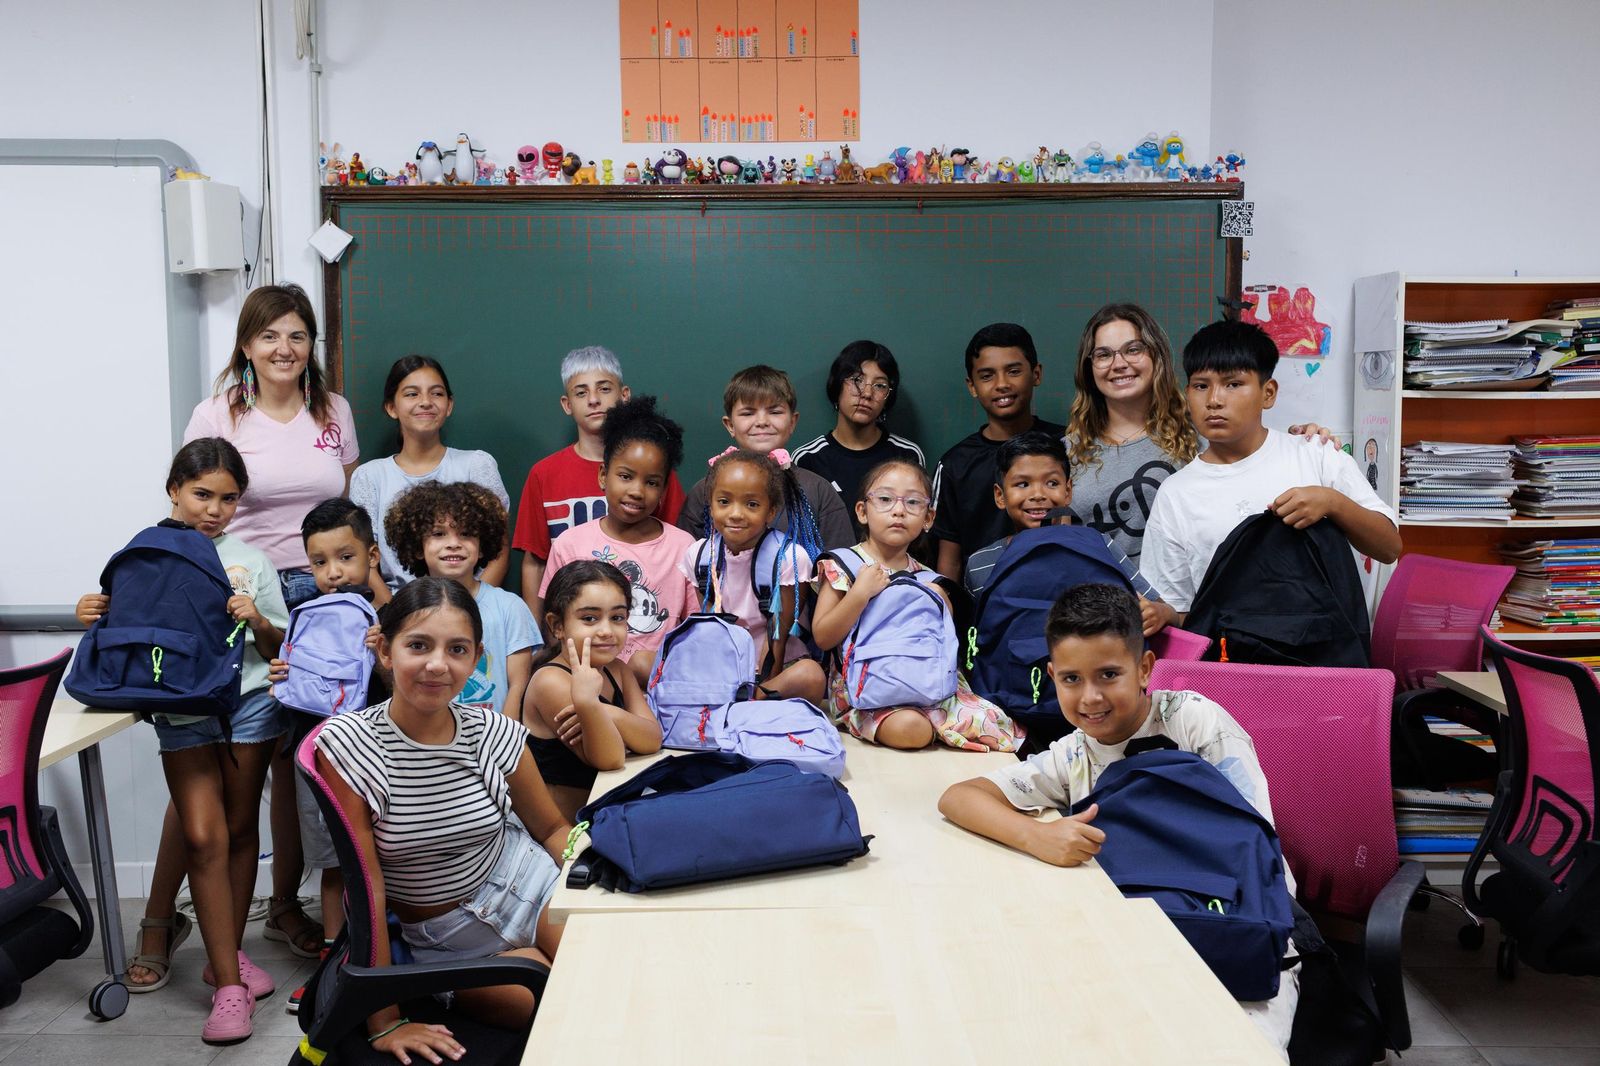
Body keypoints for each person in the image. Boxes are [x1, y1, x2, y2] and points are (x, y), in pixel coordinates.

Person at [938, 583, 1299, 1054]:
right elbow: (960, 797)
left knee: (1238, 1047)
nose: (1090, 697)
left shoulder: (1194, 722)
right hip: (1132, 930)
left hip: (1236, 924)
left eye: (1109, 675)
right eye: (1071, 679)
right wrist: (1037, 836)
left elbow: (1256, 842)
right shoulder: (1074, 754)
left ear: (1145, 668)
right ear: (1052, 677)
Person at [76, 439, 287, 1044]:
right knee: (202, 836)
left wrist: (258, 619)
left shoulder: (251, 560)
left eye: (229, 499)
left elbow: (279, 646)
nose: (214, 510)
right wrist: (92, 612)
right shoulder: (144, 553)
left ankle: (227, 957)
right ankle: (229, 985)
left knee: (241, 831)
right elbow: (127, 631)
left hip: (249, 705)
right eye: (202, 494)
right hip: (180, 710)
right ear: (173, 488)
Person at [314, 577, 572, 1063]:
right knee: (557, 1007)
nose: (438, 664)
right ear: (385, 651)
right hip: (452, 942)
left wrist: (594, 884)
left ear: (476, 660)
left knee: (607, 977)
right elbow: (366, 888)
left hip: (534, 885)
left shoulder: (493, 731)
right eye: (418, 645)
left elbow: (553, 829)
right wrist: (384, 1019)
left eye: (457, 649)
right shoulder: (349, 746)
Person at [182, 282, 360, 957]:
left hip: (321, 597)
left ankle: (285, 905)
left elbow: (343, 505)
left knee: (302, 761)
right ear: (247, 345)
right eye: (270, 335)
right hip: (243, 595)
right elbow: (195, 511)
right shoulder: (217, 413)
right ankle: (164, 920)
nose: (285, 348)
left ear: (312, 344)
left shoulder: (333, 410)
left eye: (298, 335)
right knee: (221, 758)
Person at [1139, 320, 1402, 616]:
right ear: (1187, 393)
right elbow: (1180, 611)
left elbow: (1389, 547)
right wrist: (1168, 617)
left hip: (1322, 644)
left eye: (1233, 384)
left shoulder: (1315, 454)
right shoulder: (1176, 494)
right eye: (1201, 386)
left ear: (1268, 393)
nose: (1214, 400)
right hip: (1225, 646)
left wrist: (1332, 502)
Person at [1064, 303, 1337, 565]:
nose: (1119, 363)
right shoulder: (1068, 453)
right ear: (1089, 367)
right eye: (1103, 355)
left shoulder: (1205, 430)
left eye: (1133, 349)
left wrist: (1305, 441)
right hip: (1102, 594)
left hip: (1199, 593)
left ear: (1156, 356)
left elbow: (1258, 459)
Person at [266, 498, 391, 1014]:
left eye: (345, 557)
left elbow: (406, 692)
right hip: (318, 755)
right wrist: (284, 674)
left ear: (372, 555)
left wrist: (384, 655)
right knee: (334, 863)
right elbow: (294, 689)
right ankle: (332, 964)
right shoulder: (307, 617)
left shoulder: (394, 617)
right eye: (319, 562)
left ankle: (382, 959)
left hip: (376, 758)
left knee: (382, 859)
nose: (333, 573)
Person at [810, 459, 1021, 751]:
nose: (899, 510)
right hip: (868, 694)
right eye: (885, 499)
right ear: (862, 511)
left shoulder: (930, 579)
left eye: (912, 502)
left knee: (1001, 726)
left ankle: (937, 722)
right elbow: (823, 636)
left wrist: (942, 603)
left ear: (928, 518)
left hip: (928, 687)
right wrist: (859, 594)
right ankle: (934, 727)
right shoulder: (844, 565)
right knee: (911, 729)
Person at [513, 346, 685, 621]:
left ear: (624, 395)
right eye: (581, 392)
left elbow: (675, 549)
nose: (594, 400)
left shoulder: (655, 474)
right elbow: (535, 562)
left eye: (604, 389)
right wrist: (537, 636)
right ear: (567, 404)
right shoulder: (544, 474)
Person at [539, 396, 694, 681]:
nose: (636, 491)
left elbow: (696, 632)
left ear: (664, 490)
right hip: (587, 685)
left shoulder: (684, 548)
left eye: (651, 482)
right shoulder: (570, 544)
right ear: (603, 475)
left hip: (660, 688)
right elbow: (555, 628)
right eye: (625, 476)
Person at [962, 431, 1174, 636]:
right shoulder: (980, 564)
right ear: (1000, 496)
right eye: (1023, 484)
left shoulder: (1098, 547)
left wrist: (1161, 613)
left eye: (1052, 483)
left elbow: (1164, 610)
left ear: (1068, 491)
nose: (1038, 494)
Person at [349, 355, 511, 588]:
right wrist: (395, 609)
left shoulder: (477, 465)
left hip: (471, 601)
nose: (426, 402)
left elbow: (499, 553)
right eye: (412, 394)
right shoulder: (369, 476)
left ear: (449, 405)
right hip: (396, 604)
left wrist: (467, 605)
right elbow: (365, 560)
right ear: (392, 407)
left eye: (436, 393)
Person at [678, 450, 826, 702]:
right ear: (711, 506)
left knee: (811, 676)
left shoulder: (788, 558)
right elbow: (711, 625)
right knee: (647, 662)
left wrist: (760, 689)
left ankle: (748, 702)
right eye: (724, 501)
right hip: (724, 663)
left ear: (771, 511)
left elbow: (777, 636)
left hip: (775, 667)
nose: (736, 514)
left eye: (752, 504)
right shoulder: (700, 555)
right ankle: (728, 696)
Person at [523, 561, 664, 820]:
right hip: (568, 829)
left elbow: (653, 739)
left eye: (617, 618)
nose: (606, 631)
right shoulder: (550, 681)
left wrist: (603, 711)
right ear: (557, 625)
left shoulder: (618, 670)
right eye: (589, 618)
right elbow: (610, 759)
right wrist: (588, 703)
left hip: (610, 816)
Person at [386, 481, 540, 715]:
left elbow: (518, 686)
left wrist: (506, 733)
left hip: (492, 732)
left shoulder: (509, 607)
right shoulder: (406, 606)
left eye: (466, 534)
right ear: (418, 547)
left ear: (482, 546)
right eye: (438, 534)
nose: (453, 544)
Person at [932, 323, 1065, 582]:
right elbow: (950, 561)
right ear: (972, 386)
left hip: (1058, 594)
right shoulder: (955, 464)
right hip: (982, 600)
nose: (1002, 384)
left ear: (1036, 374)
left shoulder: (1068, 445)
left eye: (1013, 371)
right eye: (987, 376)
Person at [675, 365, 855, 550]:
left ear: (792, 422)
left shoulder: (817, 490)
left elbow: (840, 560)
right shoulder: (706, 490)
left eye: (775, 412)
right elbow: (685, 557)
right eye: (748, 413)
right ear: (730, 425)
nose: (762, 422)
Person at [791, 340, 926, 537]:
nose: (867, 393)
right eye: (857, 380)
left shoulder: (906, 455)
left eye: (880, 385)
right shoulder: (807, 458)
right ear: (837, 385)